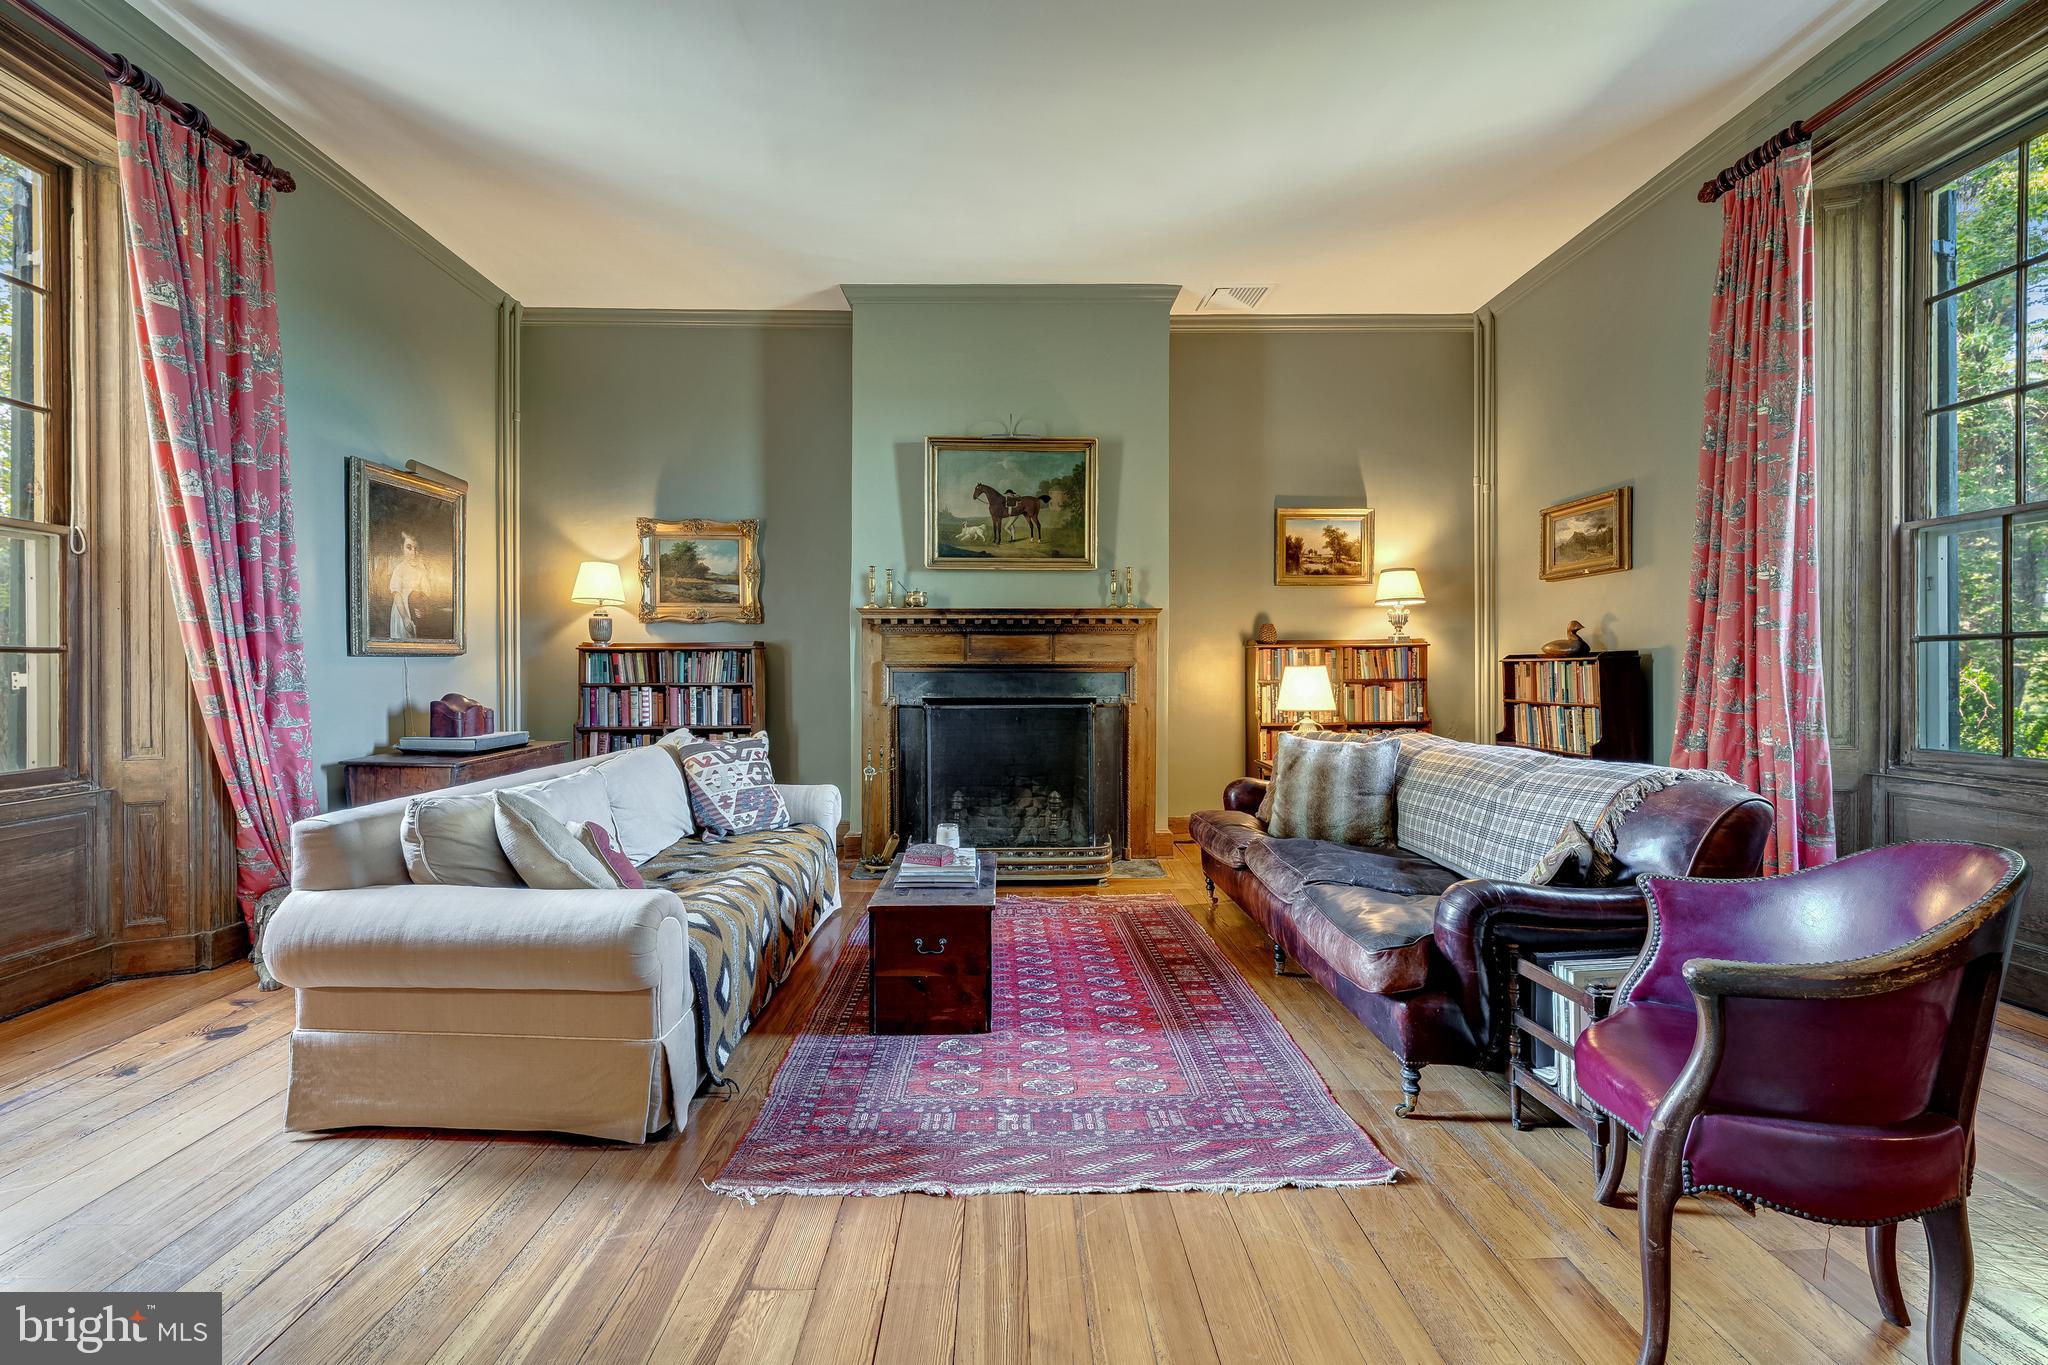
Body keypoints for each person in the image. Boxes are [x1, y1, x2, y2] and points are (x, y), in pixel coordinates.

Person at [386, 530, 430, 639]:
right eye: (409, 548)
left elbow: (425, 593)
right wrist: (405, 618)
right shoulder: (400, 569)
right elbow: (396, 595)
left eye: (416, 548)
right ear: (402, 548)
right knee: (402, 637)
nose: (413, 552)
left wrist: (423, 608)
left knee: (416, 639)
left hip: (415, 612)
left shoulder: (422, 568)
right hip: (402, 611)